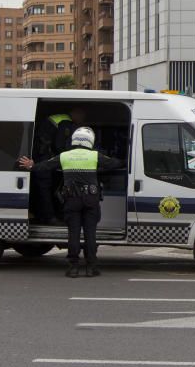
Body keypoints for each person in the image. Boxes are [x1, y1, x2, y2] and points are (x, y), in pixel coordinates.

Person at [20, 127, 123, 278]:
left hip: (71, 200)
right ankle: (91, 267)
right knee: (90, 234)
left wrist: (32, 165)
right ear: (90, 141)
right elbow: (115, 164)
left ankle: (73, 268)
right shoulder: (95, 156)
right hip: (90, 199)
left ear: (74, 140)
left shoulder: (64, 156)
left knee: (73, 234)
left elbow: (45, 166)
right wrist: (127, 160)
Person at [31, 108, 86, 224]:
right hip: (43, 158)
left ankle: (43, 216)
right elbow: (59, 145)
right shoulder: (65, 122)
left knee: (44, 189)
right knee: (45, 189)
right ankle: (50, 218)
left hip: (40, 157)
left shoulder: (60, 118)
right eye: (82, 117)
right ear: (75, 114)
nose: (82, 120)